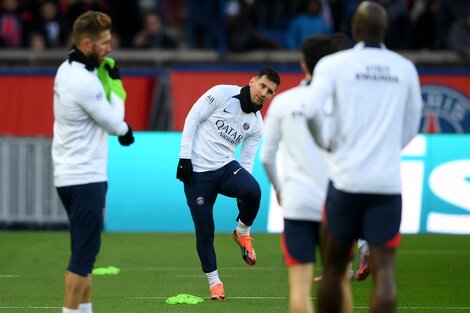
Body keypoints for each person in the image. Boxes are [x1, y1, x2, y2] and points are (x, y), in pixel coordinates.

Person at [304, 2, 422, 312]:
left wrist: (325, 143)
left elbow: (312, 111)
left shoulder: (333, 65)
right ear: (385, 31)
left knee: (333, 269)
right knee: (385, 272)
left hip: (345, 181)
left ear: (355, 29)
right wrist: (385, 150)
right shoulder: (404, 67)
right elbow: (413, 124)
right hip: (386, 184)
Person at [52, 11, 134, 313]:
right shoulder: (84, 81)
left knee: (84, 255)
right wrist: (116, 86)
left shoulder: (65, 69)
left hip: (68, 174)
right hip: (85, 177)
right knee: (84, 258)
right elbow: (115, 123)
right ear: (87, 43)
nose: (110, 48)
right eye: (104, 43)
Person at [176, 68, 281, 300]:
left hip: (225, 169)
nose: (264, 93)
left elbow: (246, 162)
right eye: (262, 86)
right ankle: (215, 283)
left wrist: (243, 195)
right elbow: (192, 117)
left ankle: (242, 232)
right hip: (197, 174)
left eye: (270, 91)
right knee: (205, 231)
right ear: (252, 81)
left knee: (253, 189)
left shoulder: (256, 124)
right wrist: (184, 158)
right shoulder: (222, 93)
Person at [260, 35, 338, 313]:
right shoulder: (341, 102)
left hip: (297, 202)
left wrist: (280, 189)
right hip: (335, 203)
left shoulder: (283, 102)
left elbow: (266, 157)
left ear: (303, 62)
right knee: (338, 282)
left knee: (300, 287)